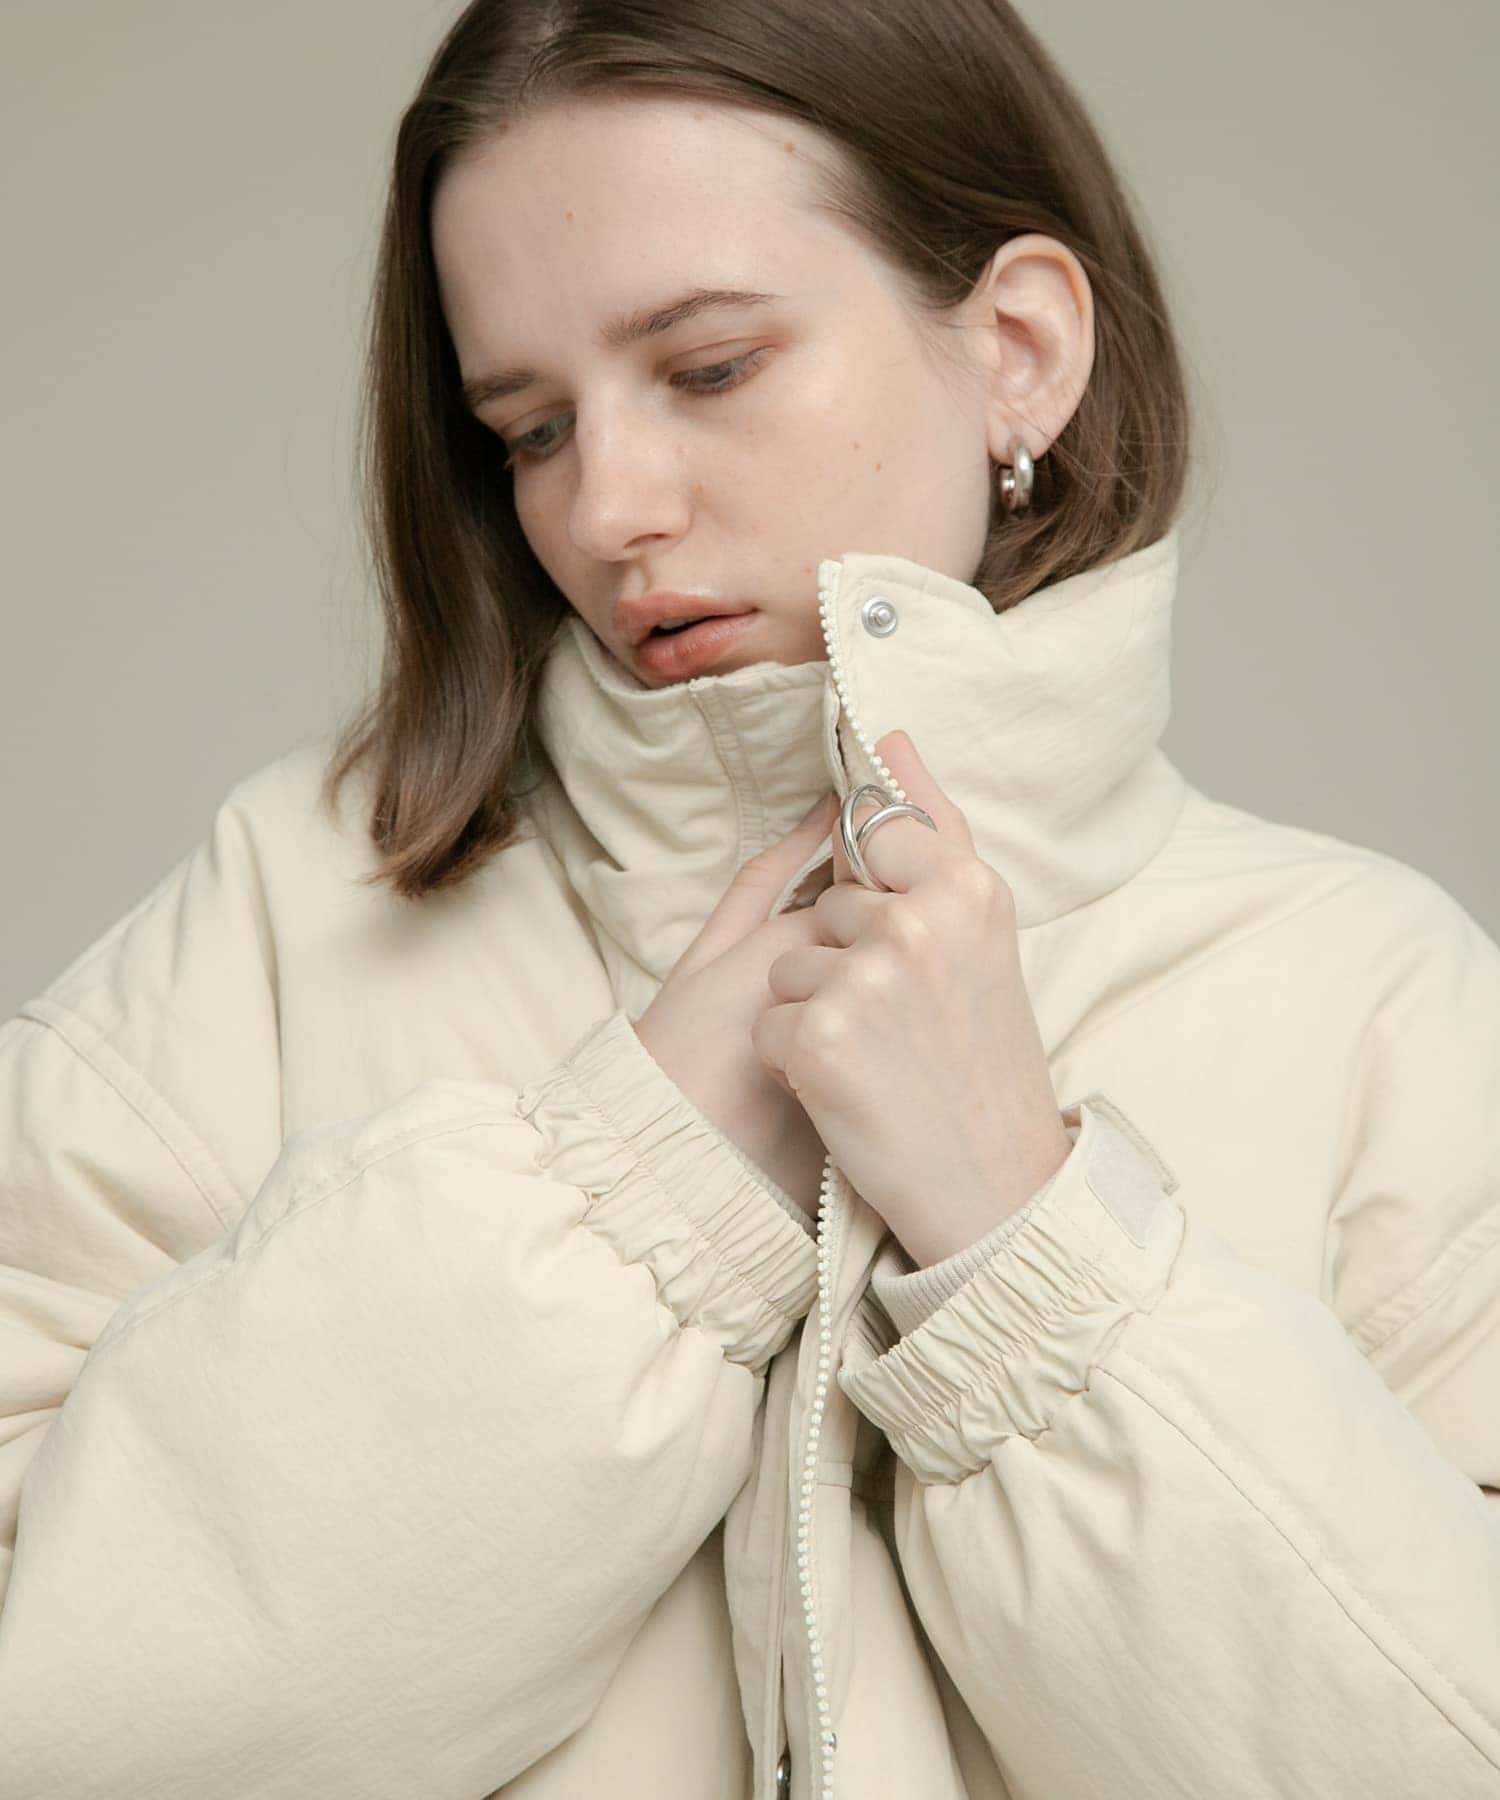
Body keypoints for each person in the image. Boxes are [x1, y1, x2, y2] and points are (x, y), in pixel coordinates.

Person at [1, 0, 1496, 1794]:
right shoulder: (281, 920)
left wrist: (1025, 1252)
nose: (605, 510)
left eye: (709, 369)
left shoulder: (1375, 1001)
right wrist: (643, 1199)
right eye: (529, 429)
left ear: (1020, 350)